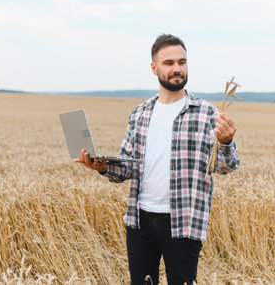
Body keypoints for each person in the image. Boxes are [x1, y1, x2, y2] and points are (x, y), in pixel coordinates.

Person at [74, 34, 240, 285]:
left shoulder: (207, 113)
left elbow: (226, 167)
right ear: (154, 68)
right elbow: (127, 168)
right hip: (139, 221)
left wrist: (226, 142)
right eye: (169, 63)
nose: (177, 69)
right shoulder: (139, 113)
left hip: (184, 221)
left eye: (182, 62)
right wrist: (103, 167)